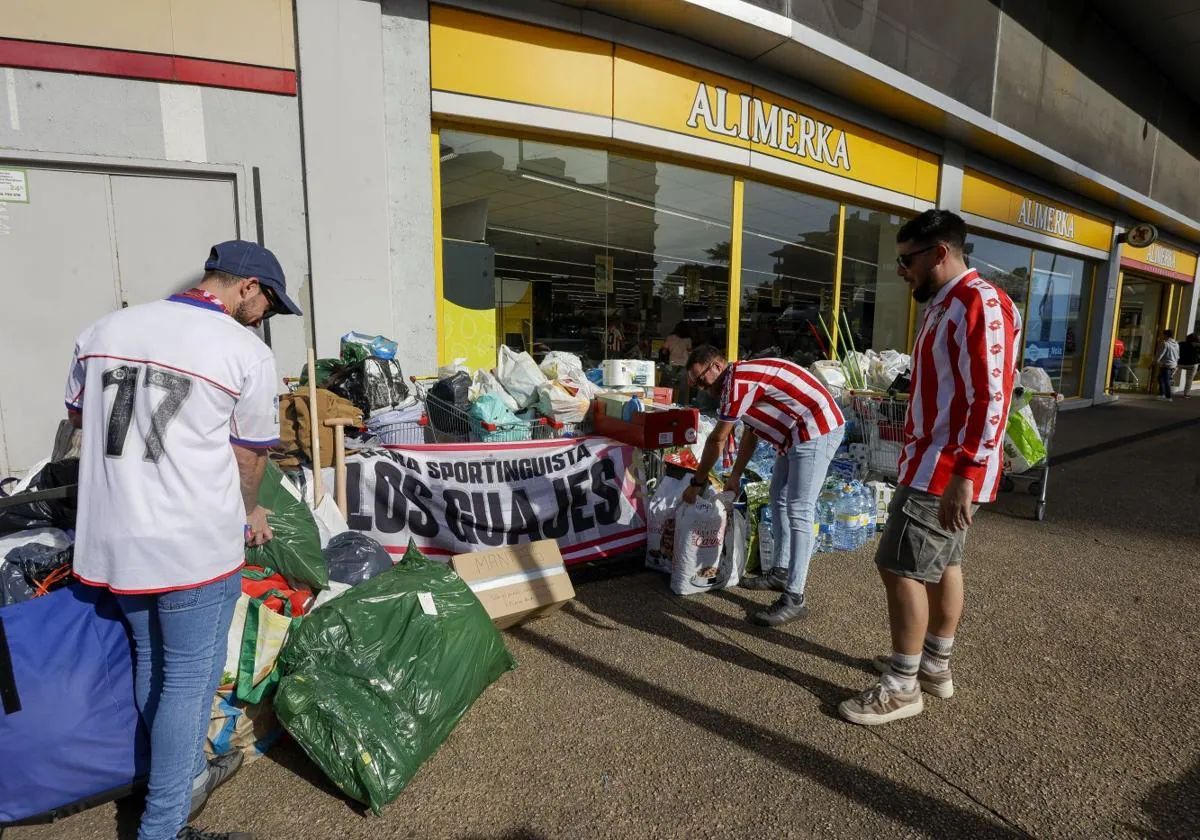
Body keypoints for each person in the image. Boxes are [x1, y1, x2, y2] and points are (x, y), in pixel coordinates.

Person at [65, 241, 303, 840]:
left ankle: (178, 777)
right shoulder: (242, 351)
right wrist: (251, 512)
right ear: (246, 287)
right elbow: (250, 453)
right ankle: (164, 826)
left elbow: (80, 422)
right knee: (189, 680)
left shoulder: (102, 329)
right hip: (192, 542)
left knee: (154, 663)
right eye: (269, 303)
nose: (266, 317)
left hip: (114, 537)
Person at [838, 210, 1021, 726]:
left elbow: (991, 395)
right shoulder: (948, 304)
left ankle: (901, 686)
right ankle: (933, 667)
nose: (901, 270)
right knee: (941, 565)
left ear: (940, 253)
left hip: (944, 467)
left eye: (906, 259)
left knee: (896, 565)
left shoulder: (977, 303)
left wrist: (965, 471)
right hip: (937, 461)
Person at [682, 345, 845, 626]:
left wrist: (697, 482)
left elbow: (717, 440)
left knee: (799, 510)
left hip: (816, 429)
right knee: (778, 497)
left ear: (717, 367)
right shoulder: (737, 382)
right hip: (792, 434)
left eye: (701, 380)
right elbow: (751, 434)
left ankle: (795, 596)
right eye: (695, 383)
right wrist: (735, 475)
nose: (701, 388)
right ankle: (780, 572)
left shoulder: (738, 382)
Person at [661, 322, 693, 403]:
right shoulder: (688, 339)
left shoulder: (670, 338)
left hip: (672, 364)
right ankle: (681, 405)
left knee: (670, 386)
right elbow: (690, 352)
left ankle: (669, 403)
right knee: (682, 388)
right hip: (684, 364)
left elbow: (664, 351)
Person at [1155, 329, 1180, 401]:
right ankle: (1162, 394)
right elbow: (1178, 355)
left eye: (1163, 335)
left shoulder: (1165, 343)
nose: (1162, 336)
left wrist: (1155, 362)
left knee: (1165, 380)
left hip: (1166, 364)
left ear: (1166, 335)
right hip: (1173, 364)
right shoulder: (1176, 344)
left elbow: (1160, 354)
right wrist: (1176, 365)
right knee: (1161, 378)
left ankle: (1168, 396)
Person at [1176, 333, 1198, 398]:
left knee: (1170, 374)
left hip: (1180, 363)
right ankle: (1186, 394)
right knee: (1189, 379)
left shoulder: (1181, 344)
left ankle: (1164, 389)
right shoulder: (1196, 345)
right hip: (1192, 364)